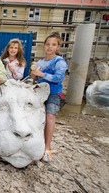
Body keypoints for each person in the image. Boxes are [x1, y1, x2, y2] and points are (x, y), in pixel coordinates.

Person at [30, 32, 68, 162]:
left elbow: (58, 78)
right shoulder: (40, 61)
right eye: (47, 44)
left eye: (53, 45)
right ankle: (36, 142)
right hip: (40, 93)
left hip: (53, 93)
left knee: (50, 116)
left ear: (58, 47)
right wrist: (34, 75)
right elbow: (34, 79)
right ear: (44, 46)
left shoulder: (59, 61)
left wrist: (41, 73)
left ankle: (47, 147)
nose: (50, 47)